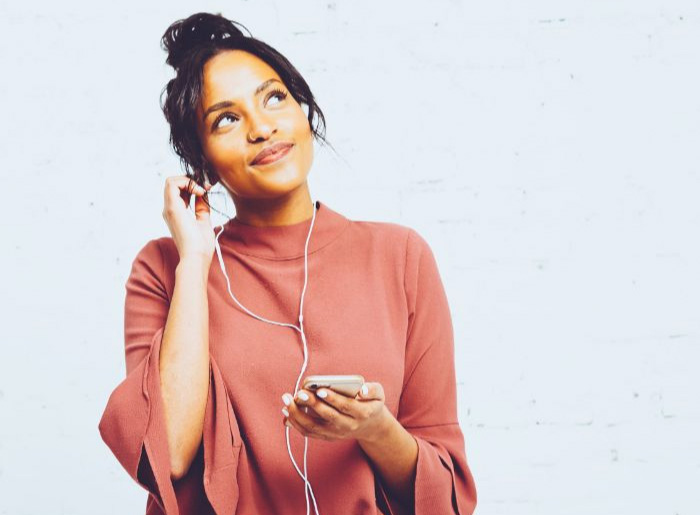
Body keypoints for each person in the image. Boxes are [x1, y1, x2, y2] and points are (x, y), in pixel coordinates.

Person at [97, 11, 477, 515]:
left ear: (303, 111)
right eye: (226, 119)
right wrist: (195, 259)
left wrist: (374, 427)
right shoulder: (165, 267)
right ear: (201, 161)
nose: (262, 127)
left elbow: (446, 495)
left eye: (274, 97)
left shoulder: (401, 257)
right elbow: (167, 453)